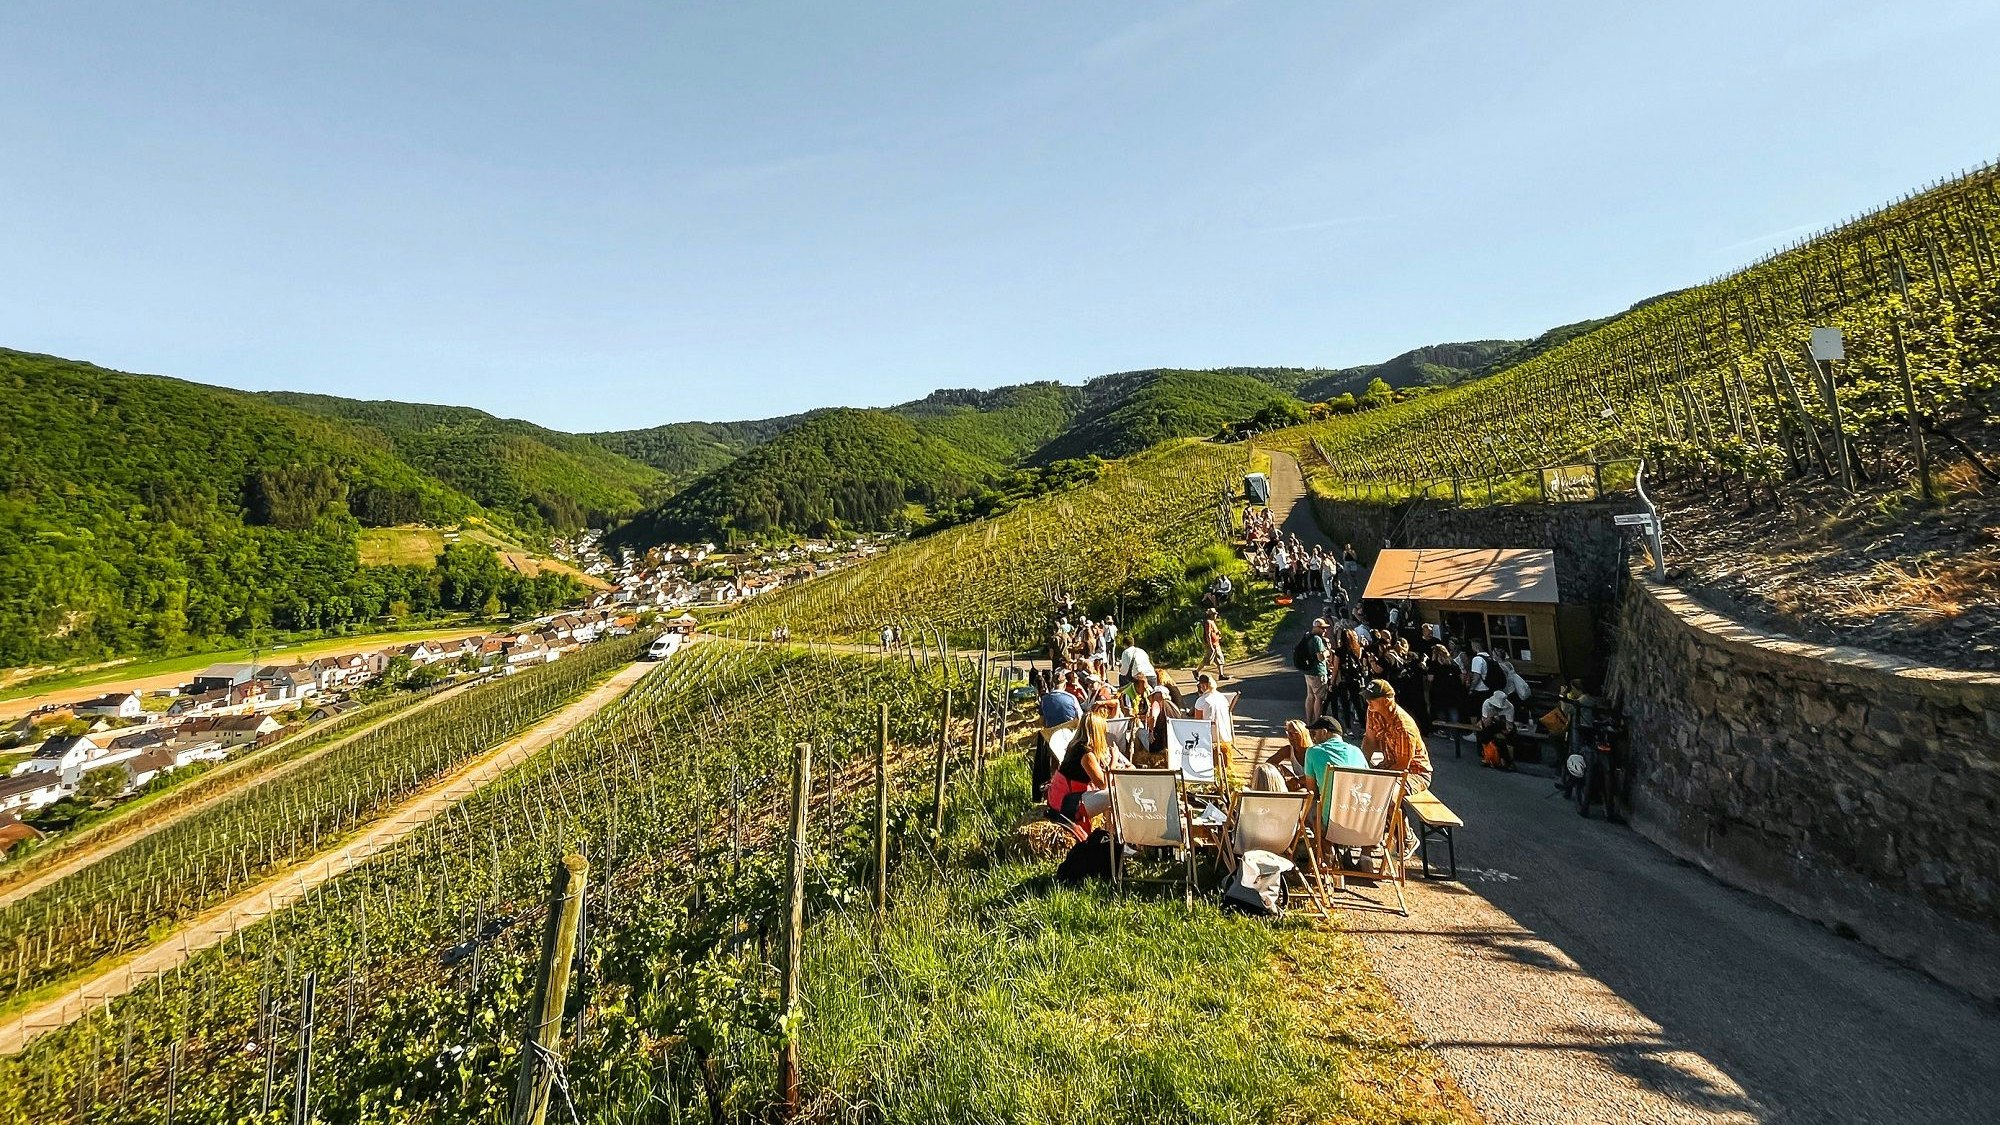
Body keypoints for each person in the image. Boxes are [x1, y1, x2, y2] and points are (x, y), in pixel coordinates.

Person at [1360, 678, 1432, 858]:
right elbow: (1369, 740)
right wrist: (1362, 766)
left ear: (1387, 700)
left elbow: (1402, 765)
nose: (1368, 701)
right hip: (1390, 764)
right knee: (1360, 786)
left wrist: (1378, 777)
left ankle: (1407, 837)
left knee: (1387, 795)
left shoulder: (1403, 726)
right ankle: (1375, 837)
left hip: (1415, 773)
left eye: (1372, 698)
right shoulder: (1373, 711)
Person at [1048, 713, 1112, 836]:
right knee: (1114, 795)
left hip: (1060, 799)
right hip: (1069, 804)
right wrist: (1113, 762)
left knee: (1110, 796)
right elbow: (1103, 784)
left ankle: (1109, 833)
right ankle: (1114, 836)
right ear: (1098, 732)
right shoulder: (1086, 754)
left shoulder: (1074, 746)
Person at [1035, 678, 1084, 800]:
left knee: (1054, 763)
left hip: (1052, 736)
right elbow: (1080, 717)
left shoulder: (1044, 699)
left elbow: (1041, 721)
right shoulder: (1071, 697)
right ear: (1064, 684)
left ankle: (1054, 787)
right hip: (1069, 734)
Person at [1191, 671, 1235, 778]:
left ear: (1203, 685)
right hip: (1225, 737)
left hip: (1210, 738)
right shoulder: (1222, 698)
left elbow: (1198, 722)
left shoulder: (1201, 701)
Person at [1298, 618, 1331, 724]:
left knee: (1310, 696)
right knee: (1319, 697)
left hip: (1308, 671)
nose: (1324, 631)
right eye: (1322, 628)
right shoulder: (1317, 639)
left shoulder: (1307, 636)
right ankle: (1317, 722)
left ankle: (1309, 720)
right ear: (1316, 627)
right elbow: (1320, 657)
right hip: (1318, 672)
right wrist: (1327, 652)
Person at [1477, 688, 1517, 769]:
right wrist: (1491, 715)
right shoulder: (1486, 704)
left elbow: (1509, 725)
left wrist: (1507, 730)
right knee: (1484, 733)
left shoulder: (1510, 707)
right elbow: (1485, 723)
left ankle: (1509, 761)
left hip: (1503, 724)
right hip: (1491, 724)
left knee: (1510, 736)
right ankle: (1487, 757)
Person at [1200, 607, 1226, 680]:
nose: (1216, 615)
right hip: (1212, 644)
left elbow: (1213, 633)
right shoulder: (1208, 622)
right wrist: (1210, 645)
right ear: (1210, 615)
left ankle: (1221, 675)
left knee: (1220, 659)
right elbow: (1208, 634)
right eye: (1214, 614)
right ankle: (1196, 671)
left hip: (1216, 643)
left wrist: (1218, 636)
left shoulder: (1212, 622)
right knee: (1207, 660)